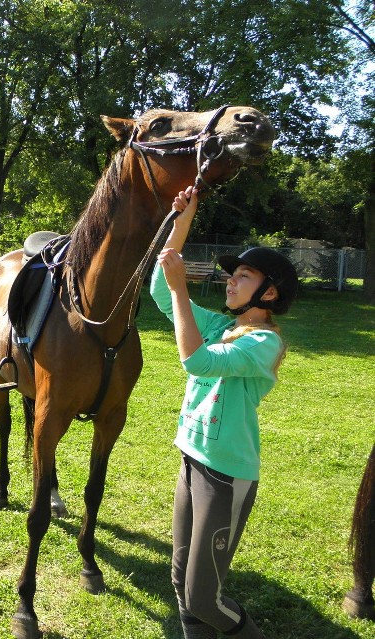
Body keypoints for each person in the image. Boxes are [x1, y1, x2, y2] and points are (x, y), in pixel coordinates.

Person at [151, 186, 299, 639]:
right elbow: (160, 287)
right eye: (232, 275)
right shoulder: (224, 326)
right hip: (191, 461)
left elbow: (196, 360)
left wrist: (181, 290)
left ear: (269, 292)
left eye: (244, 276)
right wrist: (184, 217)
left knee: (202, 596)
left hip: (225, 476)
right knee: (180, 579)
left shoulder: (262, 343)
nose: (231, 281)